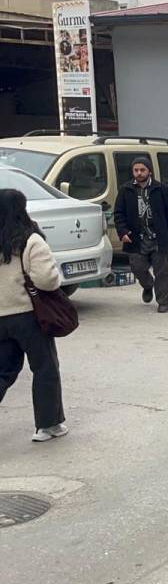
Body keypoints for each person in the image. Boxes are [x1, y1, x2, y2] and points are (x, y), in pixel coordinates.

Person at [0, 189, 68, 442]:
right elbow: (47, 280)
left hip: (1, 317)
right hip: (28, 316)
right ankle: (48, 425)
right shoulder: (30, 240)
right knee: (44, 368)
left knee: (3, 371)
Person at [114, 156, 168, 313]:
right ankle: (147, 285)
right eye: (136, 170)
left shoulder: (162, 190)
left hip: (158, 237)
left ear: (149, 171)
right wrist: (122, 231)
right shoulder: (126, 190)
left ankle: (163, 301)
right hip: (136, 237)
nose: (139, 173)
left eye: (142, 170)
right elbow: (119, 213)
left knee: (162, 271)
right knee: (137, 267)